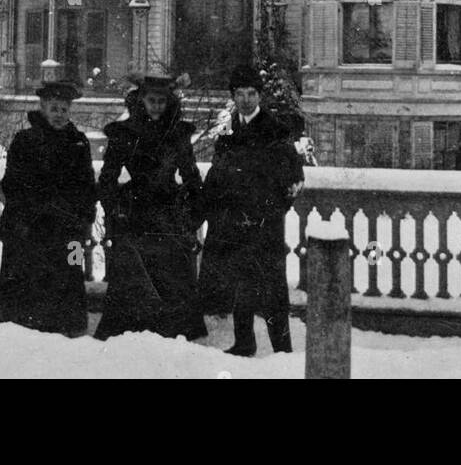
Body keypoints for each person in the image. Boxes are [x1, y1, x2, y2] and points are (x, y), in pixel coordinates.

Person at [201, 64, 304, 356]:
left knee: (273, 291)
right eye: (240, 94)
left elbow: (294, 181)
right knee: (241, 287)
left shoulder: (276, 130)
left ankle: (283, 350)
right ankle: (244, 342)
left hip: (265, 227)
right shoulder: (228, 129)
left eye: (251, 93)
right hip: (234, 225)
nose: (246, 100)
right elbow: (218, 174)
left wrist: (267, 214)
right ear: (233, 96)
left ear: (259, 96)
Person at [95, 75, 206, 341]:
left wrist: (191, 216)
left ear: (169, 103)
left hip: (168, 210)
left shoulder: (178, 134)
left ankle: (172, 331)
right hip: (135, 211)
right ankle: (133, 331)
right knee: (133, 272)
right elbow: (107, 178)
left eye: (161, 101)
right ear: (141, 101)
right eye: (151, 100)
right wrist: (114, 210)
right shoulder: (124, 133)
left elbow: (192, 178)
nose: (156, 106)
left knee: (173, 272)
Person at [0, 80, 97, 336]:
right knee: (28, 279)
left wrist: (83, 216)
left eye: (63, 109)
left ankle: (69, 327)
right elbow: (12, 183)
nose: (59, 115)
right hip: (30, 225)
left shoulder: (79, 142)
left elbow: (87, 184)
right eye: (53, 108)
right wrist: (38, 207)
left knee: (71, 271)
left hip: (69, 227)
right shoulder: (25, 140)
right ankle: (24, 330)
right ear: (42, 109)